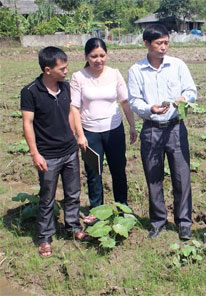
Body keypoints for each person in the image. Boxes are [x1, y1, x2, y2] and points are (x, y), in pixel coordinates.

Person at [128, 24, 197, 240]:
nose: (164, 47)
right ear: (146, 44)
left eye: (166, 42)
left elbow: (190, 89)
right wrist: (151, 109)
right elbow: (134, 100)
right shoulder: (136, 70)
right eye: (159, 43)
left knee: (181, 175)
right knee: (153, 177)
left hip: (176, 127)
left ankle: (184, 222)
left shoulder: (177, 65)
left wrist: (184, 98)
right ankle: (158, 222)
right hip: (151, 129)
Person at [20, 47, 89, 258]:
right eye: (63, 68)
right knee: (47, 197)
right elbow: (28, 123)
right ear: (48, 69)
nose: (66, 71)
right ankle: (45, 237)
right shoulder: (30, 91)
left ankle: (73, 227)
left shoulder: (65, 88)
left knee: (73, 193)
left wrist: (78, 135)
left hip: (69, 151)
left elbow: (71, 113)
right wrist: (35, 153)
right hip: (47, 155)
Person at [70, 38, 137, 224]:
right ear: (86, 56)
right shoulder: (78, 77)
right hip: (90, 132)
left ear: (106, 55)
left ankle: (123, 207)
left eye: (102, 55)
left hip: (114, 131)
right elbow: (74, 108)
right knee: (93, 172)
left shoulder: (114, 74)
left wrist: (132, 125)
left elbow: (124, 101)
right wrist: (80, 135)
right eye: (94, 56)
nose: (98, 60)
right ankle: (96, 210)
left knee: (118, 170)